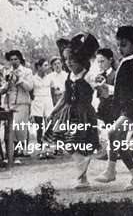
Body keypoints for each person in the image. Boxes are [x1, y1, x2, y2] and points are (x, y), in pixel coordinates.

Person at [95, 25, 133, 191]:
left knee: (112, 133)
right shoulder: (124, 63)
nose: (120, 48)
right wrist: (107, 88)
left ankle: (111, 170)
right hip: (124, 106)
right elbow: (121, 89)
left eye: (123, 44)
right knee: (119, 143)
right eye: (118, 44)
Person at [44, 34, 100, 189]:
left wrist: (101, 87)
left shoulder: (88, 75)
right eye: (66, 60)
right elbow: (64, 97)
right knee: (68, 144)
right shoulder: (69, 76)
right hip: (68, 114)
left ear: (80, 59)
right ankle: (83, 171)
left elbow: (100, 89)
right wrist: (53, 111)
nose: (68, 63)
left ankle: (82, 179)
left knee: (78, 143)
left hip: (83, 114)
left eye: (71, 59)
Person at [1, 50, 33, 159]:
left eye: (16, 59)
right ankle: (13, 151)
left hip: (22, 102)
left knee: (20, 127)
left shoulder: (27, 71)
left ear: (20, 59)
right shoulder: (7, 72)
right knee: (10, 128)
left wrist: (19, 79)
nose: (14, 61)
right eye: (11, 59)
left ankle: (22, 150)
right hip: (10, 103)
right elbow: (6, 87)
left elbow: (29, 87)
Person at [31, 59, 55, 159]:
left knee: (49, 125)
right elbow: (30, 92)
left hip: (48, 101)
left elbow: (53, 90)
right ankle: (41, 149)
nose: (47, 67)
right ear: (39, 67)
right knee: (39, 127)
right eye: (45, 65)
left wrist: (51, 102)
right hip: (37, 102)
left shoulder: (50, 78)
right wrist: (35, 100)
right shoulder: (33, 78)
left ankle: (48, 149)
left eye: (47, 65)